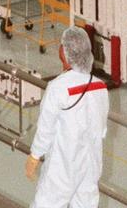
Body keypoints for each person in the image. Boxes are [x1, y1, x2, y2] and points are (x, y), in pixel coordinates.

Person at [26, 26, 108, 208]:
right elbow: (101, 130)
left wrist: (34, 156)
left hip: (62, 167)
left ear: (64, 53)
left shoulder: (58, 88)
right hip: (90, 166)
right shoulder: (100, 87)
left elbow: (45, 130)